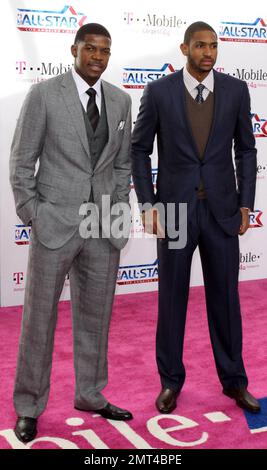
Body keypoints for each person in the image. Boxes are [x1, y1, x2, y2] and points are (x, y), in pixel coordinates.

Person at [10, 23, 133, 443]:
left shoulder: (120, 100)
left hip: (103, 227)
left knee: (96, 319)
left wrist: (117, 206)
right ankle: (28, 406)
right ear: (74, 49)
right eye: (90, 49)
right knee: (38, 321)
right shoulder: (45, 94)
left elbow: (121, 164)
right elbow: (21, 161)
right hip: (54, 224)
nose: (98, 57)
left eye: (105, 50)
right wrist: (34, 213)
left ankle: (90, 394)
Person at [131, 21, 260, 414]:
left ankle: (234, 382)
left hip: (222, 212)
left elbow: (247, 150)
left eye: (214, 46)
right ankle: (171, 381)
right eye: (200, 45)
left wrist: (245, 204)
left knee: (226, 300)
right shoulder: (158, 92)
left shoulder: (236, 90)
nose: (208, 52)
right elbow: (139, 150)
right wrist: (149, 204)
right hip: (173, 211)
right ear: (184, 48)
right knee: (171, 300)